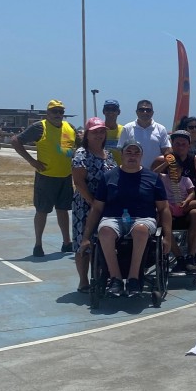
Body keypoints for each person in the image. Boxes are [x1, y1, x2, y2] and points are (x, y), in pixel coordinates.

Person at [79, 141, 172, 297]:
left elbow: (164, 208)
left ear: (141, 156)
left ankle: (133, 278)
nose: (132, 156)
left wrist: (168, 237)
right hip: (113, 217)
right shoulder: (108, 177)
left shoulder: (153, 178)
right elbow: (97, 208)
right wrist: (86, 237)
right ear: (121, 155)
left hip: (143, 218)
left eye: (136, 153)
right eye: (129, 152)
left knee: (140, 230)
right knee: (105, 231)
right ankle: (115, 279)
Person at [11, 99, 76, 257]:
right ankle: (38, 244)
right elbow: (15, 141)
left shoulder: (70, 128)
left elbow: (77, 147)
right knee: (42, 211)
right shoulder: (40, 127)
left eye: (61, 111)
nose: (58, 114)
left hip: (66, 176)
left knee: (63, 210)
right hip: (46, 177)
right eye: (55, 111)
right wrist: (32, 161)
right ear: (47, 113)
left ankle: (67, 242)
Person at [153, 130, 196, 272]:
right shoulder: (161, 160)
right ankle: (179, 257)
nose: (180, 146)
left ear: (189, 145)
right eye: (177, 144)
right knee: (163, 216)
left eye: (184, 144)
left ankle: (191, 255)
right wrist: (166, 162)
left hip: (188, 206)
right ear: (172, 145)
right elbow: (149, 180)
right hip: (168, 207)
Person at [71, 118, 117, 292]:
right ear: (87, 134)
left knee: (101, 242)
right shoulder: (82, 154)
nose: (99, 134)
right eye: (95, 131)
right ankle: (84, 281)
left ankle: (100, 277)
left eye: (101, 131)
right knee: (84, 242)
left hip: (104, 205)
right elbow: (79, 182)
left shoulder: (108, 154)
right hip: (85, 204)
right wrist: (92, 203)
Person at [117, 100, 171, 169]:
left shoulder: (161, 129)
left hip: (154, 174)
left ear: (152, 113)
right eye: (141, 110)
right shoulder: (127, 128)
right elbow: (121, 151)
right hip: (132, 172)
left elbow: (166, 151)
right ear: (137, 112)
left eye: (148, 110)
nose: (145, 112)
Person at [101, 99, 123, 165]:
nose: (110, 112)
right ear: (103, 111)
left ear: (118, 112)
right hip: (102, 168)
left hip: (120, 170)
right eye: (107, 109)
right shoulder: (98, 130)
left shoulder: (124, 130)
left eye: (114, 109)